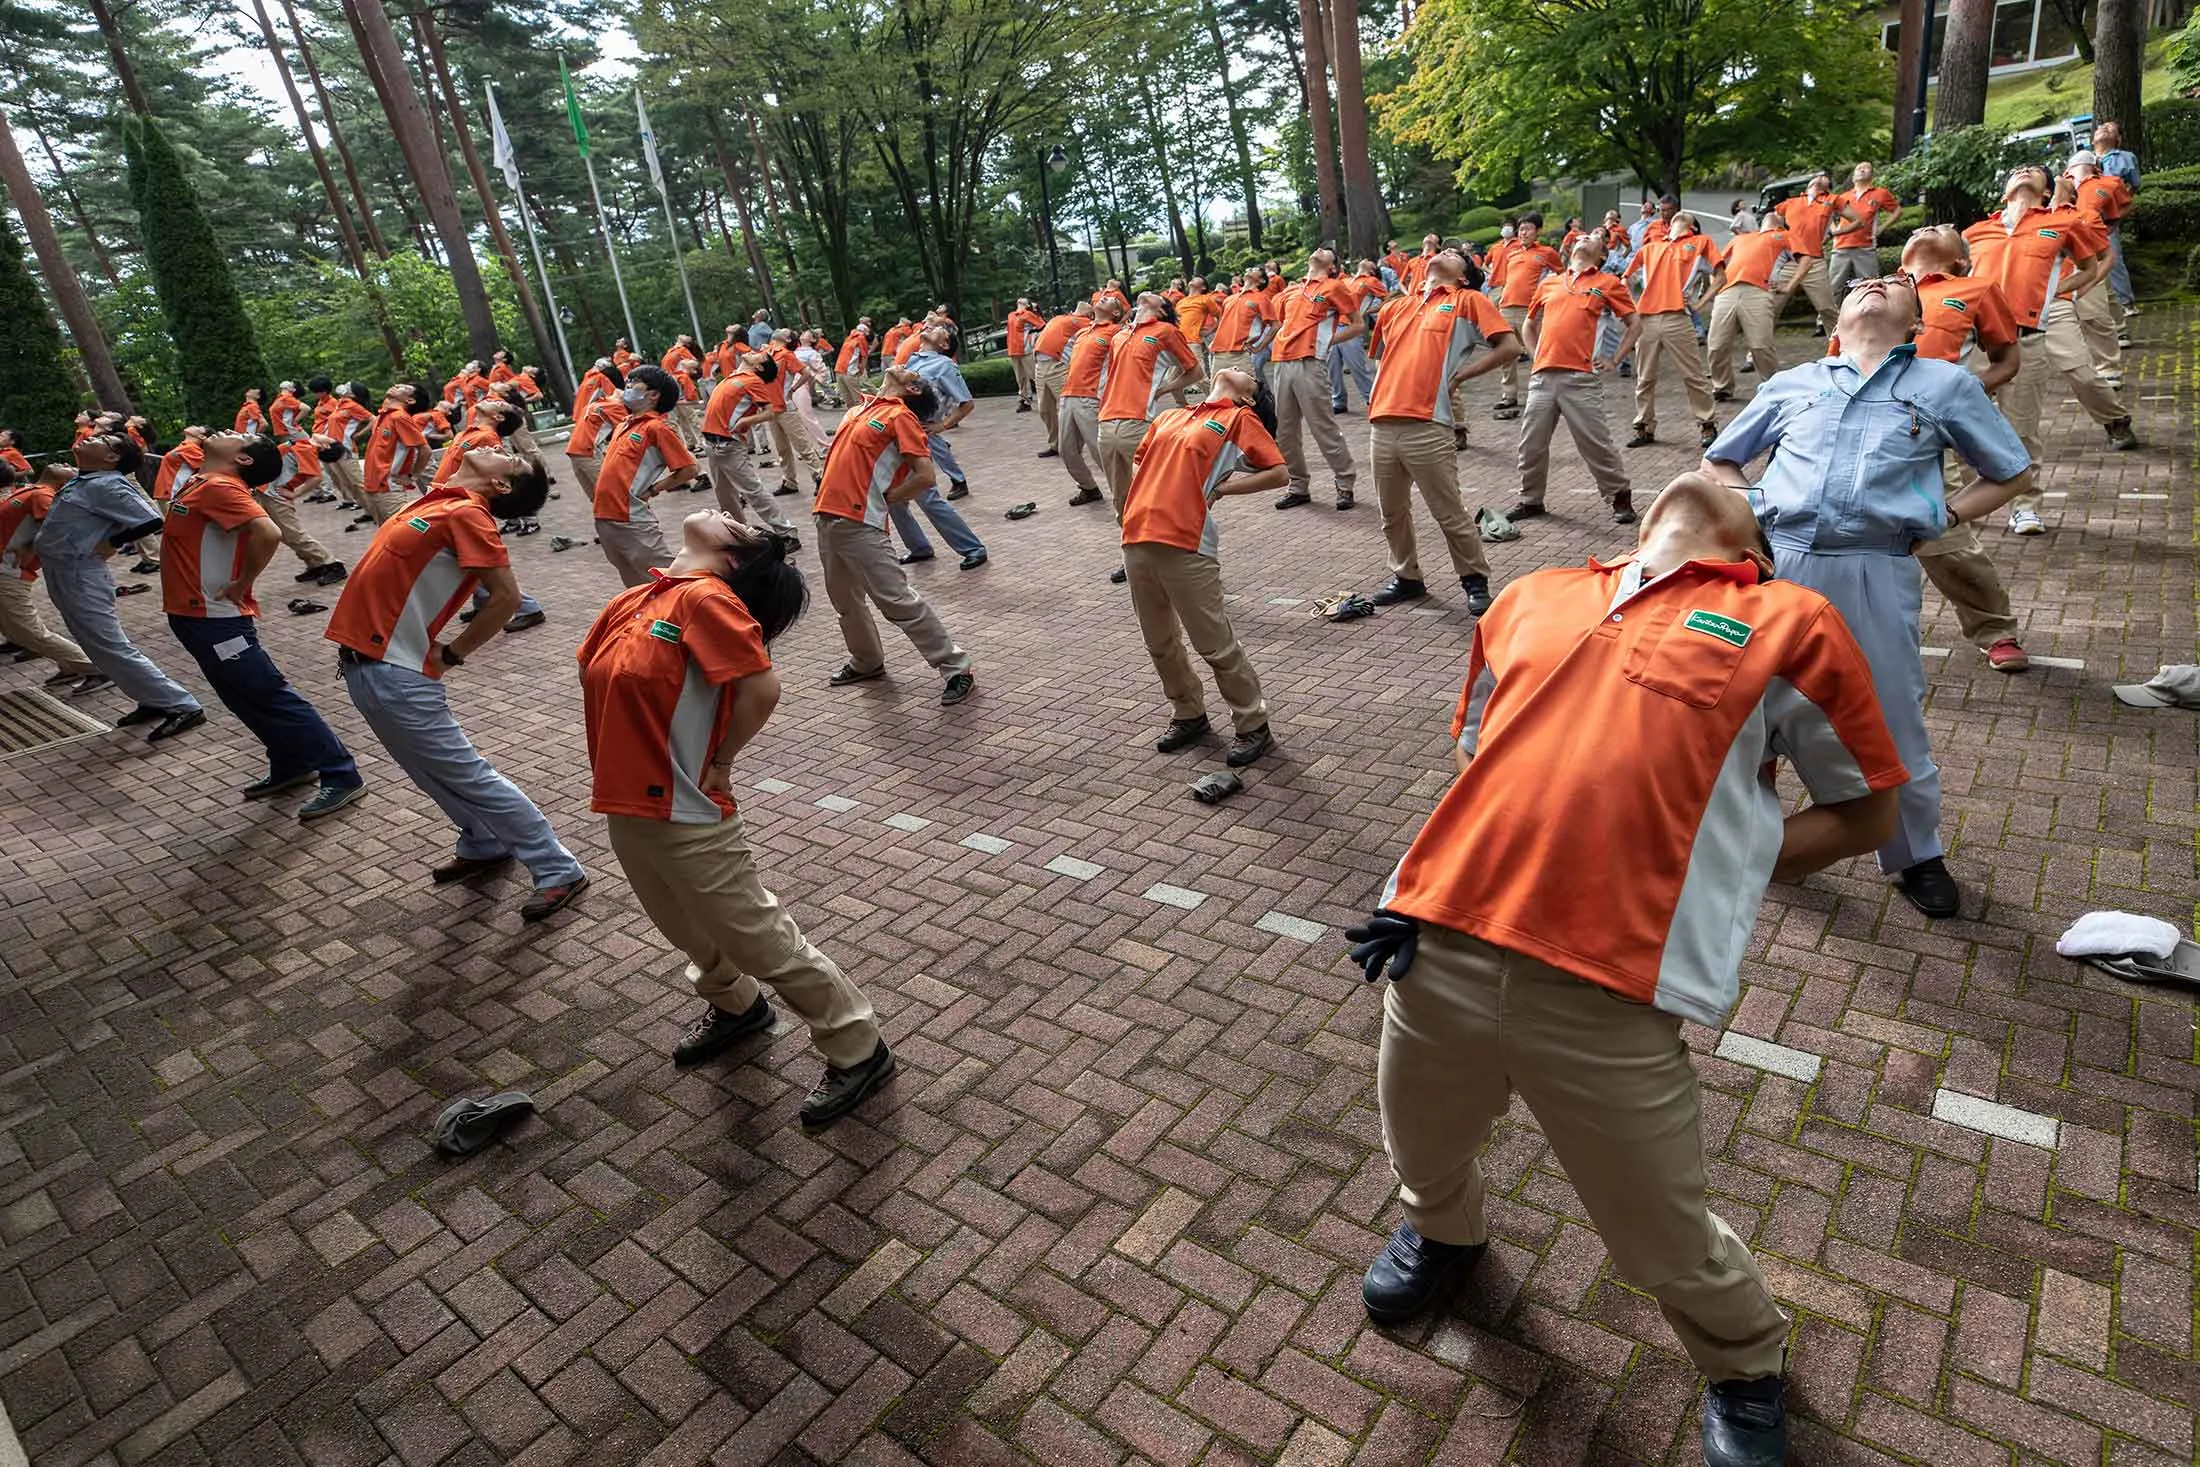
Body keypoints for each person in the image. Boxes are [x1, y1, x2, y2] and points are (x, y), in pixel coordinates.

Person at [1355, 470, 1906, 1467]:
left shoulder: (1788, 621)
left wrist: (1723, 871)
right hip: (1439, 952)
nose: (1716, 466)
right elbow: (1486, 772)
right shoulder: (1532, 596)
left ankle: (1744, 1365)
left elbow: (1870, 812)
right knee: (1421, 1147)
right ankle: (1445, 1237)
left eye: (1743, 475)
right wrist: (1406, 893)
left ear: (1758, 539)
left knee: (1658, 1230)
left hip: (1607, 994)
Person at [1704, 276, 2033, 917]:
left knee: (1888, 713)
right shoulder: (1792, 383)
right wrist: (1751, 507)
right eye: (1860, 283)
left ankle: (1915, 853)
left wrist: (1947, 519)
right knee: (1747, 705)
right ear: (1838, 320)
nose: (1877, 284)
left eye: (1897, 283)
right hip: (1776, 565)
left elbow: (2012, 471)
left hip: (1874, 570)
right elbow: (1722, 459)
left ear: (1915, 322)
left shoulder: (1945, 384)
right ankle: (1746, 841)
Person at [577, 510, 894, 1126]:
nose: (724, 513)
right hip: (627, 801)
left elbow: (760, 688)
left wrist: (721, 759)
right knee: (683, 925)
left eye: (737, 526)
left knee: (760, 936)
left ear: (735, 562)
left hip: (688, 808)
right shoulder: (645, 596)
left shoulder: (708, 599)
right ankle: (737, 1006)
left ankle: (858, 1046)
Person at [326, 440, 586, 921]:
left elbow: (506, 597)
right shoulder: (440, 501)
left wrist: (455, 653)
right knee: (425, 772)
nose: (498, 446)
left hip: (398, 670)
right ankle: (482, 841)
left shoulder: (469, 516)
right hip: (367, 664)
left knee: (468, 774)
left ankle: (556, 868)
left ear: (501, 484)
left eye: (510, 455)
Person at [156, 432, 366, 819]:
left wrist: (242, 583)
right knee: (242, 697)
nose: (225, 433)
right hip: (192, 616)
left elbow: (268, 531)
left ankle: (341, 774)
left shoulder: (221, 487)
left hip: (217, 619)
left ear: (244, 460)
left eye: (240, 436)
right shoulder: (203, 481)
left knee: (268, 693)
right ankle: (291, 764)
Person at [1120, 370, 1287, 766]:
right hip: (1138, 538)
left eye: (1252, 377)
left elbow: (1278, 472)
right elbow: (1139, 460)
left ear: (1249, 397)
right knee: (1160, 642)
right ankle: (1188, 714)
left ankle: (1252, 724)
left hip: (1188, 542)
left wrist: (1221, 488)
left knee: (1214, 644)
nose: (1242, 369)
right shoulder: (1170, 416)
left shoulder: (1238, 419)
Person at [1964, 163, 2139, 535]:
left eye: (2034, 171)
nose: (2024, 171)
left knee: (2022, 427)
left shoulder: (2063, 222)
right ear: (2003, 191)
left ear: (2046, 190)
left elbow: (2094, 265)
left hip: (2028, 336)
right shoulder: (1977, 231)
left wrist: (2056, 294)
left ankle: (2025, 506)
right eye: (2018, 169)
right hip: (1976, 339)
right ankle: (1952, 508)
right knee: (1957, 425)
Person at [1893, 225, 2032, 674]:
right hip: (1860, 422)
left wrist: (1960, 395)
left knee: (1942, 538)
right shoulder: (1879, 291)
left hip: (1923, 428)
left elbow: (2007, 361)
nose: (1933, 227)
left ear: (1960, 261)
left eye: (1946, 230)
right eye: (1925, 226)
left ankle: (1995, 629)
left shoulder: (1974, 288)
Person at [1363, 248, 1519, 615]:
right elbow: (1379, 357)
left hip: (1428, 423)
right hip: (1382, 422)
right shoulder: (1394, 306)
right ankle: (1407, 578)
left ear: (1463, 275)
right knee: (1391, 512)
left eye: (1454, 254)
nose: (1443, 252)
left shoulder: (1468, 300)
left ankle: (1474, 580)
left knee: (1448, 511)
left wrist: (1461, 375)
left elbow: (1510, 345)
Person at [811, 367, 975, 705]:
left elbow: (925, 475)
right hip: (826, 518)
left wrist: (886, 499)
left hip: (860, 522)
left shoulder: (901, 417)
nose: (902, 364)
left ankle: (957, 667)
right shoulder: (859, 409)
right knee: (844, 601)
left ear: (912, 389)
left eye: (910, 371)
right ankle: (867, 662)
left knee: (897, 601)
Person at [35, 433, 205, 741]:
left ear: (112, 457)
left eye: (103, 439)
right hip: (62, 571)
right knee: (95, 644)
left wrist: (110, 543)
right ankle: (152, 699)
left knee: (108, 643)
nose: (92, 438)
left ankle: (181, 705)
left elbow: (153, 520)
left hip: (80, 573)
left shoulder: (107, 484)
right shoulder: (85, 481)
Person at [1511, 236, 1640, 523]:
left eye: (1592, 238)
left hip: (1580, 377)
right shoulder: (1550, 283)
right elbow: (1529, 323)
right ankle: (1531, 499)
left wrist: (1615, 358)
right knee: (1531, 443)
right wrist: (1535, 355)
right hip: (1542, 377)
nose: (1583, 238)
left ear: (1602, 255)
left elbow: (1634, 323)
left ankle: (1619, 495)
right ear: (1568, 250)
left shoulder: (1608, 282)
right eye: (1580, 237)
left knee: (1594, 442)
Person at [1269, 249, 1363, 511]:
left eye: (1328, 252)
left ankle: (1345, 482)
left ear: (1332, 266)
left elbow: (1358, 325)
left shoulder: (1335, 286)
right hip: (1281, 361)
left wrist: (1327, 341)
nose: (1320, 250)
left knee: (1323, 427)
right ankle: (1298, 486)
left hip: (1310, 363)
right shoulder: (1292, 290)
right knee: (1284, 432)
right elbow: (1279, 323)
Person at [592, 365, 698, 587]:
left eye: (634, 382)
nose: (627, 385)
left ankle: (705, 616)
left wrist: (654, 489)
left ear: (653, 395)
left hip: (632, 518)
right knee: (636, 586)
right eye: (628, 381)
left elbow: (689, 469)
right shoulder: (624, 424)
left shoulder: (656, 428)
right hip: (605, 515)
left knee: (668, 581)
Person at [1625, 210, 1723, 448]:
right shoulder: (1650, 247)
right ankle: (1644, 426)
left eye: (1685, 216)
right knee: (1645, 377)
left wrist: (1700, 303)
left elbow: (1721, 275)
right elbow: (1625, 278)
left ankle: (1707, 424)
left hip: (1678, 317)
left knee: (1693, 375)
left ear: (1693, 226)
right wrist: (1632, 307)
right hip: (1647, 319)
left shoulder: (1700, 243)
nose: (1680, 215)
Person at [1096, 294, 1200, 518]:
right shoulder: (1119, 335)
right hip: (1105, 423)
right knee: (1120, 499)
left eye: (1157, 296)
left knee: (1153, 492)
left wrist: (1164, 388)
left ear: (1162, 311)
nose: (1147, 294)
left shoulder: (1165, 331)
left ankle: (1171, 541)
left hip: (1138, 422)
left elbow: (1195, 371)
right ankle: (1134, 547)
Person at [0, 463, 101, 691]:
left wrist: (33, 547)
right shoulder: (28, 490)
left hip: (9, 572)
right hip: (5, 571)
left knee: (29, 631)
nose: (64, 463)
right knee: (18, 631)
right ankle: (72, 665)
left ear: (64, 483)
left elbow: (59, 527)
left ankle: (97, 667)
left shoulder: (43, 495)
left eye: (70, 467)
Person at [899, 326, 990, 569]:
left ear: (945, 344)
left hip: (918, 432)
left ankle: (973, 548)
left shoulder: (945, 366)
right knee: (893, 497)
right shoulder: (913, 358)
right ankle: (918, 547)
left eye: (941, 329)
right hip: (896, 431)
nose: (932, 328)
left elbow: (967, 403)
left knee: (926, 496)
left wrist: (943, 425)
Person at [700, 349, 799, 539]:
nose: (756, 351)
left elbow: (769, 412)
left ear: (759, 366)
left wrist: (746, 422)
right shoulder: (736, 375)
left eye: (761, 355)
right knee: (725, 496)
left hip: (729, 445)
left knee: (753, 491)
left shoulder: (753, 380)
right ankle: (739, 535)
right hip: (713, 444)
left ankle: (787, 533)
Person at [2063, 152, 2134, 381]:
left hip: (2095, 234)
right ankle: (2119, 328)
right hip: (2066, 243)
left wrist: (2108, 227)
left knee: (2096, 297)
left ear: (2095, 165)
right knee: (2103, 291)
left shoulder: (2109, 183)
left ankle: (2108, 364)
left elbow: (2122, 209)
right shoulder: (2061, 184)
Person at [1703, 217, 1790, 401]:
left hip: (1758, 291)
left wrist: (1789, 284)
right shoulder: (1740, 238)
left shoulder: (1783, 236)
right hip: (1727, 291)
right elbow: (1717, 265)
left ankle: (1772, 385)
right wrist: (1716, 288)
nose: (1771, 216)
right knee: (1716, 344)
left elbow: (1807, 257)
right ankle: (1722, 386)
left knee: (1760, 345)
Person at [1487, 213, 1561, 420]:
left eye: (1528, 229)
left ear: (1538, 231)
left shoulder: (1546, 253)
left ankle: (1542, 394)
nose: (1523, 233)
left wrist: (1547, 293)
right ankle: (1509, 395)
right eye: (1521, 229)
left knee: (1536, 352)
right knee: (1506, 354)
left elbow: (1562, 275)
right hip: (1506, 308)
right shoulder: (1511, 253)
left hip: (1531, 310)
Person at [1768, 175, 1857, 335]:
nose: (1819, 178)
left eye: (1824, 178)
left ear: (1827, 187)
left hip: (1815, 261)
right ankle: (1754, 354)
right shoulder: (1791, 202)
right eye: (1816, 178)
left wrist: (1836, 233)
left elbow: (1858, 221)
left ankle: (1842, 348)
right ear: (1808, 185)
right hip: (1789, 261)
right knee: (1772, 307)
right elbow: (1772, 222)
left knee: (1827, 309)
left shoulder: (1832, 200)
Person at [1056, 299, 1123, 509]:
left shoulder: (1116, 332)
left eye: (1110, 300)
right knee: (1066, 449)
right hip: (1068, 394)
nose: (1102, 298)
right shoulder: (1083, 332)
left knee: (1099, 451)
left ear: (1115, 313)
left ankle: (1125, 493)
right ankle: (1089, 488)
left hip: (1090, 396)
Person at [1827, 162, 1901, 298]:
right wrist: (1834, 230)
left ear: (1871, 174)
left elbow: (1897, 211)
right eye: (1858, 168)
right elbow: (1828, 213)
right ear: (1853, 176)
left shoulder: (1880, 193)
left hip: (1865, 247)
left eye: (1866, 168)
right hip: (1840, 247)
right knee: (1833, 288)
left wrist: (1881, 228)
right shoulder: (1843, 196)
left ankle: (1874, 317)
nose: (1862, 170)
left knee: (1871, 286)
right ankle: (1828, 320)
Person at [361, 383, 430, 524]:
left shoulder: (400, 417)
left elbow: (425, 450)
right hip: (372, 486)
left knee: (405, 531)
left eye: (403, 388)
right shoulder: (385, 416)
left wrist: (413, 476)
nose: (396, 386)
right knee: (387, 534)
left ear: (410, 400)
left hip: (388, 487)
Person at [2090, 121, 2140, 314]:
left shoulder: (2125, 158)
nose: (2104, 128)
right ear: (2093, 139)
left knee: (2113, 258)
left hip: (2108, 218)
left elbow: (2134, 185)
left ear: (2118, 139)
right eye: (2101, 127)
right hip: (2087, 216)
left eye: (2111, 128)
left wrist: (2119, 208)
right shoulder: (2085, 159)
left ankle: (2125, 302)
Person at [1030, 304, 1091, 460]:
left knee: (1071, 410)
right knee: (1045, 410)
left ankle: (1083, 445)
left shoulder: (1083, 322)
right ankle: (1056, 445)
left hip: (1057, 367)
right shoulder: (1062, 318)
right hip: (1040, 366)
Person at [1206, 271, 1273, 381]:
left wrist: (1259, 347)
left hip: (1240, 355)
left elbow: (1276, 325)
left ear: (1262, 281)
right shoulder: (1229, 299)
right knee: (1218, 396)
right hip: (1219, 354)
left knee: (1247, 395)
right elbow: (1222, 322)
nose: (1250, 270)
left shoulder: (1261, 298)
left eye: (1255, 269)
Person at [1004, 297, 1045, 411]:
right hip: (1013, 350)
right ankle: (1025, 401)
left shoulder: (1028, 314)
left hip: (1025, 349)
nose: (1020, 301)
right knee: (1020, 378)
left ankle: (1047, 398)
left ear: (1027, 305)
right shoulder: (1011, 315)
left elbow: (1042, 326)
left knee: (1034, 375)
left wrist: (1032, 336)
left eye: (1023, 301)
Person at [836, 320, 873, 406]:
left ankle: (859, 417)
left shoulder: (852, 338)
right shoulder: (858, 337)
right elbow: (864, 356)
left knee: (851, 400)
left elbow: (864, 355)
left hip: (843, 370)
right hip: (846, 371)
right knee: (854, 399)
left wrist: (861, 369)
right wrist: (861, 369)